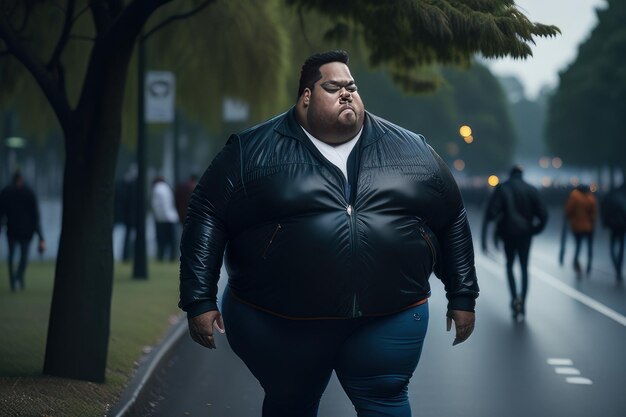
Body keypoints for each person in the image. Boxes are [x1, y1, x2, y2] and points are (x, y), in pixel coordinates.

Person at [179, 50, 479, 417]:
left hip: (390, 314)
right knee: (291, 402)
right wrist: (199, 300)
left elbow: (451, 217)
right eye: (333, 86)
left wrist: (462, 295)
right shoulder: (249, 151)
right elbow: (206, 214)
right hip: (278, 320)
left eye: (351, 86)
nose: (346, 93)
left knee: (385, 401)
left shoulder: (413, 149)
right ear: (306, 96)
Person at [481, 165, 547, 321]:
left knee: (509, 265)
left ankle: (513, 298)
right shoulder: (531, 189)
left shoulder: (502, 188)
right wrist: (534, 230)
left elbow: (491, 213)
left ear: (510, 174)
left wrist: (492, 232)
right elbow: (544, 215)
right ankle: (523, 303)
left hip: (508, 234)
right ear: (522, 175)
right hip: (525, 235)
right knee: (524, 267)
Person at [0, 171, 46, 292]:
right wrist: (40, 237)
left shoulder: (12, 193)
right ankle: (15, 280)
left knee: (21, 259)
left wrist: (41, 237)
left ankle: (16, 278)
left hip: (22, 232)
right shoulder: (16, 193)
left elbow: (35, 216)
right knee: (16, 258)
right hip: (17, 232)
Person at [564, 184, 597, 275]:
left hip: (577, 226)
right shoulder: (591, 198)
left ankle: (576, 264)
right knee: (589, 246)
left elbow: (568, 210)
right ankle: (589, 265)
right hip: (589, 226)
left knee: (578, 246)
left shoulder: (575, 197)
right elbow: (594, 213)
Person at [600, 183, 626, 282]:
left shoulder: (610, 198)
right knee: (620, 248)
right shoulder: (623, 198)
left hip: (613, 226)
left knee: (612, 247)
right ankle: (618, 267)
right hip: (622, 226)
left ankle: (617, 266)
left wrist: (605, 223)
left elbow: (604, 210)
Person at [150, 176, 179, 261]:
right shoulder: (166, 187)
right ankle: (172, 257)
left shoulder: (157, 188)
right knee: (171, 240)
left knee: (161, 240)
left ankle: (160, 256)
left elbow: (157, 205)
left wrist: (159, 216)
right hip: (170, 218)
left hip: (162, 218)